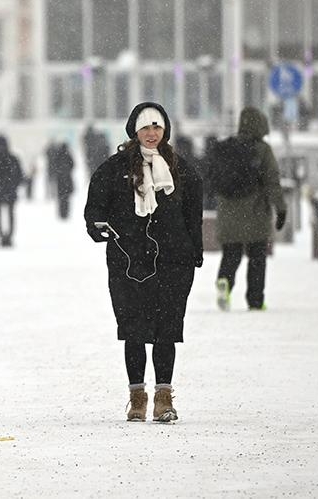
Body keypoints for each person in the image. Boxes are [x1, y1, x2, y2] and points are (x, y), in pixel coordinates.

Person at [83, 102, 204, 423]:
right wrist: (100, 229)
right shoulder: (114, 169)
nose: (152, 134)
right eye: (146, 127)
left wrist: (195, 250)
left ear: (165, 131)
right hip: (128, 262)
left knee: (167, 331)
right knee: (133, 330)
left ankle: (164, 397)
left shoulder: (182, 170)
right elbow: (94, 209)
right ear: (134, 131)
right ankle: (137, 397)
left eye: (157, 127)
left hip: (173, 262)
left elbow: (194, 216)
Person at [214, 107, 287, 312]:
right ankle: (255, 300)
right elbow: (272, 182)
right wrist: (281, 209)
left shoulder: (227, 148)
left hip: (228, 213)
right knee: (257, 258)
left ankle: (224, 282)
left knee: (231, 255)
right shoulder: (263, 150)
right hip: (255, 212)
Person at [50, 142, 76, 220]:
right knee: (66, 198)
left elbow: (54, 166)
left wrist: (59, 172)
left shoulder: (58, 156)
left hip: (60, 180)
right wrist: (67, 171)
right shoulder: (68, 155)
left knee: (61, 198)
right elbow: (73, 165)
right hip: (67, 180)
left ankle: (62, 213)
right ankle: (66, 213)